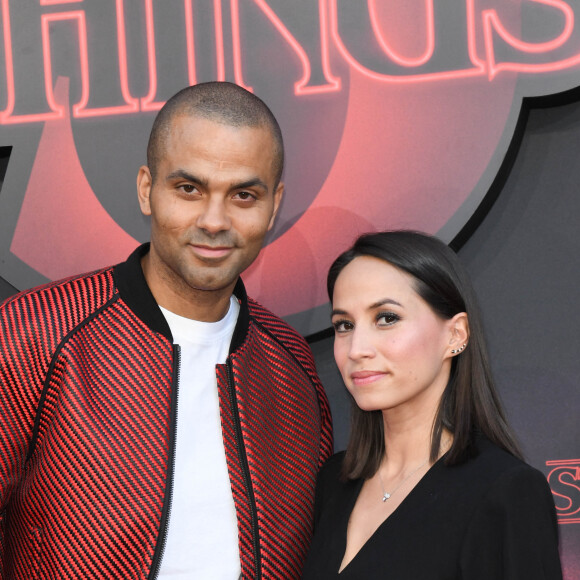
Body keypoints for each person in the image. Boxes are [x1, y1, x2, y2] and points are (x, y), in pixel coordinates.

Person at [0, 82, 333, 579]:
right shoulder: (37, 330)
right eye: (189, 189)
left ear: (274, 204)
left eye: (243, 195)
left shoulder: (291, 367)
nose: (215, 221)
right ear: (146, 189)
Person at [302, 231, 562, 579]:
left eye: (386, 318)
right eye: (344, 325)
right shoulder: (333, 482)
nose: (356, 349)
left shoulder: (504, 493)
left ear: (455, 335)